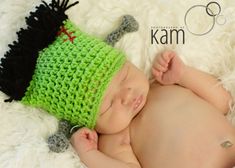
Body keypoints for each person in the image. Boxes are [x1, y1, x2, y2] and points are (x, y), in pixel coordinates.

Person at [70, 50, 235, 168]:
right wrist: (89, 155)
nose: (127, 96)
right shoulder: (116, 137)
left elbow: (223, 101)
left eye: (124, 78)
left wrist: (183, 74)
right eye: (109, 104)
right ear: (93, 123)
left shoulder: (164, 83)